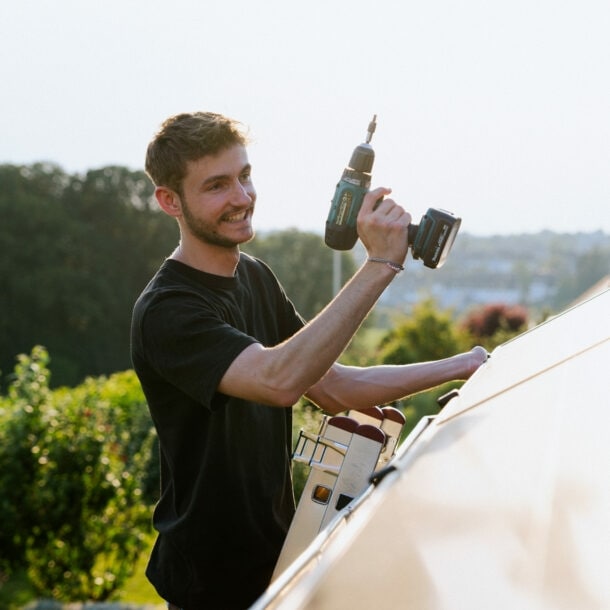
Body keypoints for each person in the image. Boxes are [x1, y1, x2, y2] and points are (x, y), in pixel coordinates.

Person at [130, 111, 487, 609]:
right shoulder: (168, 310)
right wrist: (381, 264)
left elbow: (332, 386)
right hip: (211, 582)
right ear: (170, 200)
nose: (241, 197)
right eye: (216, 186)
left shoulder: (255, 277)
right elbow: (279, 380)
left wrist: (464, 367)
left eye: (244, 176)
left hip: (280, 558)